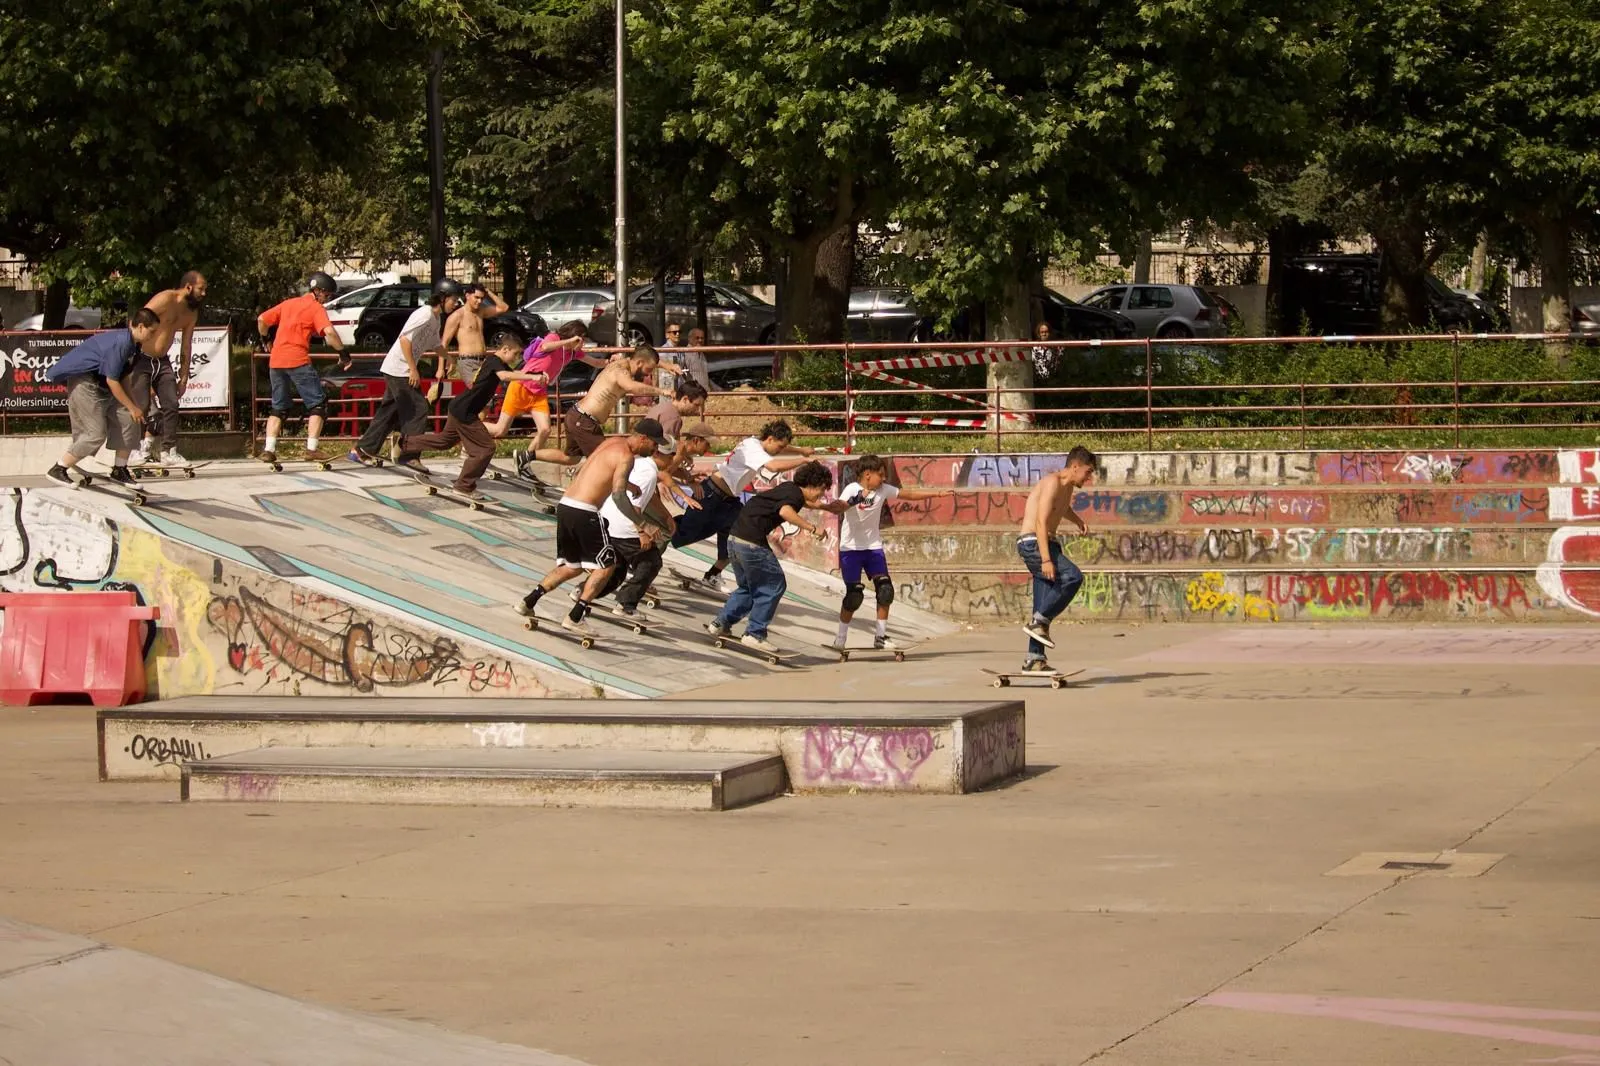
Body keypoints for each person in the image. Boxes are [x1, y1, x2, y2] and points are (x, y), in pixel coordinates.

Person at [516, 419, 667, 637]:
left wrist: (629, 485)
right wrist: (642, 525)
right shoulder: (626, 457)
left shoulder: (612, 442)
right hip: (585, 512)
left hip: (567, 505)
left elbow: (599, 471)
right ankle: (575, 617)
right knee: (607, 565)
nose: (655, 450)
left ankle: (528, 601)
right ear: (643, 438)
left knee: (572, 566)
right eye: (654, 444)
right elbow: (618, 497)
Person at [669, 419, 816, 590]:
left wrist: (801, 450)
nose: (780, 451)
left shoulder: (756, 442)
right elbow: (773, 467)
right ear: (769, 439)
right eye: (779, 447)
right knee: (683, 533)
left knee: (739, 535)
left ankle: (713, 575)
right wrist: (802, 460)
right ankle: (644, 551)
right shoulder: (754, 449)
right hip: (711, 495)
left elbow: (781, 447)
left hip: (729, 502)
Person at [707, 460, 836, 653]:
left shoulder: (788, 489)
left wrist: (826, 507)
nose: (822, 495)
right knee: (774, 585)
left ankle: (721, 623)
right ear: (813, 484)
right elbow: (785, 511)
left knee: (749, 587)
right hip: (751, 542)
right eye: (822, 489)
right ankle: (754, 634)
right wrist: (812, 527)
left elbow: (805, 502)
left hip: (735, 539)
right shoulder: (793, 495)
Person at [829, 454, 955, 651]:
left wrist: (937, 494)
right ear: (867, 474)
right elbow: (840, 506)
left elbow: (909, 495)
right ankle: (840, 639)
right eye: (880, 475)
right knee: (854, 596)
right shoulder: (852, 489)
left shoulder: (883, 490)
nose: (884, 479)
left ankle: (880, 637)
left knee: (885, 590)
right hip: (850, 549)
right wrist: (854, 501)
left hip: (873, 548)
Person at [395, 336, 545, 498]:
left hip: (460, 407)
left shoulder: (498, 363)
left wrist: (534, 373)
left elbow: (513, 372)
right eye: (515, 354)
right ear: (505, 349)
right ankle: (464, 485)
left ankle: (404, 442)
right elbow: (505, 376)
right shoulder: (494, 361)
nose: (516, 358)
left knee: (445, 441)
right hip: (465, 412)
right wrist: (532, 377)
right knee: (485, 449)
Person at [44, 308, 163, 486]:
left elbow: (124, 379)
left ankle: (119, 469)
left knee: (130, 419)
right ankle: (58, 469)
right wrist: (132, 406)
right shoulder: (121, 343)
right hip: (85, 382)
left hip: (103, 385)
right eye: (152, 331)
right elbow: (113, 380)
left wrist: (134, 407)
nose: (153, 336)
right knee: (95, 433)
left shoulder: (135, 347)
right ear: (140, 327)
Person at [351, 279, 462, 466]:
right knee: (418, 409)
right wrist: (413, 369)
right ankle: (409, 456)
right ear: (442, 298)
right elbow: (404, 340)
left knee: (389, 413)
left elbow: (435, 343)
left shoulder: (435, 318)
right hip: (399, 369)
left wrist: (448, 358)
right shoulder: (424, 314)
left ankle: (362, 450)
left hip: (398, 368)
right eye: (454, 299)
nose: (456, 304)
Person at [1016, 445, 1099, 672]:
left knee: (1041, 602)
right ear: (1075, 467)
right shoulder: (1052, 482)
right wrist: (1045, 559)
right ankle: (1040, 621)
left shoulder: (1066, 486)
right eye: (1088, 471)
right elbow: (1041, 521)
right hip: (1033, 543)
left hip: (1047, 544)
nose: (1089, 477)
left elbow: (1061, 508)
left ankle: (1034, 658)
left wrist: (1078, 520)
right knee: (1073, 577)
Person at [501, 320, 615, 474]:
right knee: (500, 430)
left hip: (539, 392)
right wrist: (569, 341)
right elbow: (545, 347)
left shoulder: (573, 352)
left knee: (545, 430)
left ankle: (525, 461)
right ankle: (468, 430)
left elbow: (595, 362)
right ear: (575, 337)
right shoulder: (554, 338)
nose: (582, 344)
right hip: (522, 385)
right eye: (582, 340)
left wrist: (609, 362)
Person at [256, 272, 347, 463]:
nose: (327, 299)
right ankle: (312, 449)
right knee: (318, 404)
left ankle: (269, 449)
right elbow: (329, 333)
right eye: (327, 295)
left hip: (276, 361)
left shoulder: (288, 303)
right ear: (319, 292)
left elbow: (262, 320)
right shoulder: (315, 308)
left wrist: (266, 340)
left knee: (278, 408)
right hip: (297, 360)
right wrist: (343, 353)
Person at [592, 446, 678, 618]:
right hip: (624, 525)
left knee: (618, 568)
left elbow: (647, 496)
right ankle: (626, 605)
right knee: (651, 562)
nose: (671, 460)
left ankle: (584, 593)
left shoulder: (639, 464)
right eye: (670, 456)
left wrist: (666, 516)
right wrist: (642, 531)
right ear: (657, 453)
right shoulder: (649, 474)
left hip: (608, 519)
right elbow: (634, 503)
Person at [135, 270, 206, 467]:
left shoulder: (191, 312)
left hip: (162, 361)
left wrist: (183, 378)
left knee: (172, 403)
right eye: (201, 289)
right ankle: (139, 449)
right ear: (189, 287)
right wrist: (130, 355)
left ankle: (168, 451)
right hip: (141, 357)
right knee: (141, 405)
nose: (204, 293)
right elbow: (140, 319)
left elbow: (186, 344)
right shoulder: (166, 298)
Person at [562, 344, 676, 459]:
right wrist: (662, 391)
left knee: (571, 459)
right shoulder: (620, 372)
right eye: (649, 369)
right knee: (605, 459)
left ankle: (542, 454)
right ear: (640, 363)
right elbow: (632, 387)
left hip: (578, 416)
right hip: (584, 421)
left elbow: (647, 356)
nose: (648, 374)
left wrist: (667, 366)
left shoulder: (626, 362)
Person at [442, 284, 508, 386]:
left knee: (485, 395)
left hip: (483, 360)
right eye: (476, 297)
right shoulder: (457, 316)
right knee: (476, 392)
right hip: (468, 361)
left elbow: (504, 308)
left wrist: (488, 291)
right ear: (467, 296)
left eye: (482, 298)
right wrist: (440, 368)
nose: (479, 301)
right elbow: (444, 343)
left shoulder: (481, 312)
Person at [678, 326, 712, 392]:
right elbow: (684, 374)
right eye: (697, 338)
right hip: (694, 394)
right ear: (689, 339)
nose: (700, 340)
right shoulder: (685, 354)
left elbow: (705, 376)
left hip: (705, 394)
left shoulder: (702, 354)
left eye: (702, 338)